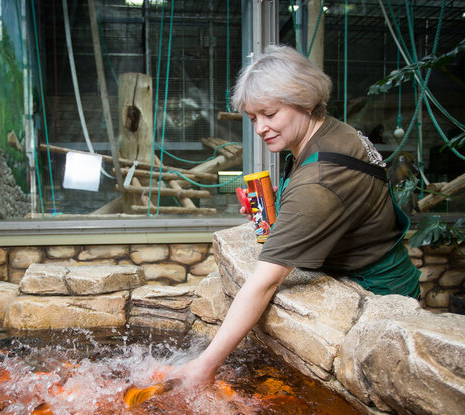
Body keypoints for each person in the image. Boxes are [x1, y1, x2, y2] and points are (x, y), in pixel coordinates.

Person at [175, 45, 420, 387]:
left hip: (377, 296)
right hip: (376, 270)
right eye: (253, 118)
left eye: (270, 113)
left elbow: (265, 283)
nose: (261, 127)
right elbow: (331, 207)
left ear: (305, 101)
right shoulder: (327, 132)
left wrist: (204, 366)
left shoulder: (320, 178)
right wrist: (278, 207)